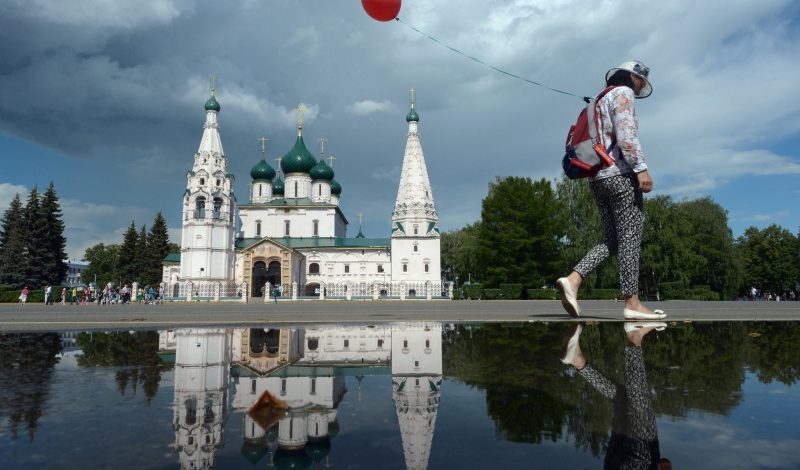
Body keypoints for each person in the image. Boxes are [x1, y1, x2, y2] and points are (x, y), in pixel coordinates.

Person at [556, 60, 665, 321]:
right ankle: (632, 302)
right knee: (630, 239)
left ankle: (573, 279)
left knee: (612, 240)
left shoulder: (598, 99)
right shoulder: (623, 94)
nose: (640, 87)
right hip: (621, 175)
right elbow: (626, 134)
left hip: (597, 178)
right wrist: (641, 168)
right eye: (640, 81)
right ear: (631, 78)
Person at [560, 322, 672, 469]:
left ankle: (635, 336)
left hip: (638, 464)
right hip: (614, 464)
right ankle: (577, 360)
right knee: (623, 399)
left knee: (638, 403)